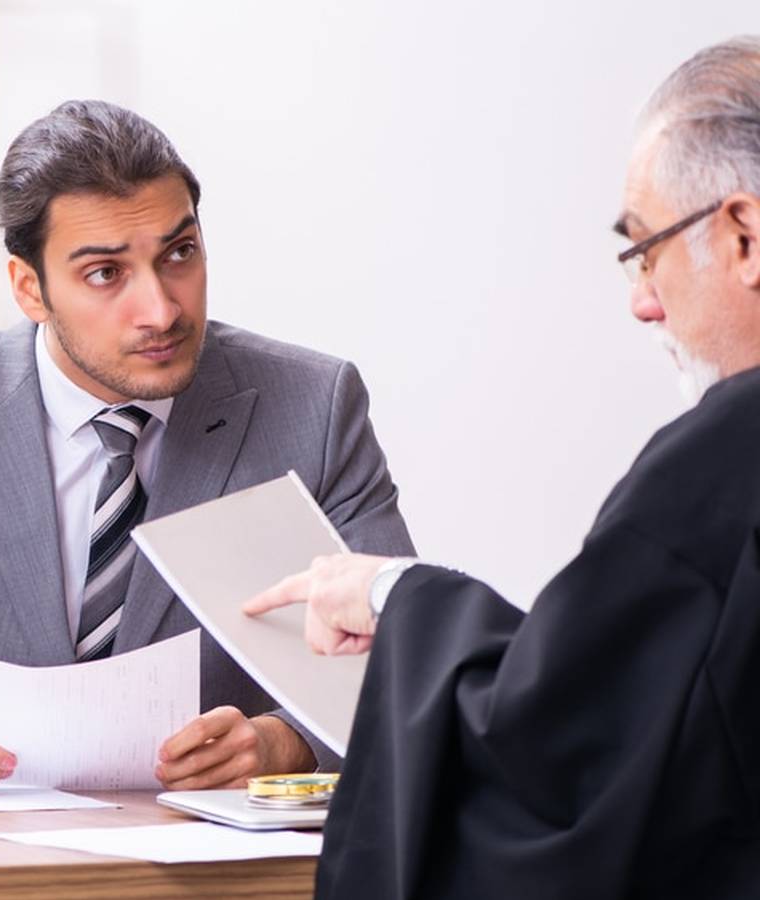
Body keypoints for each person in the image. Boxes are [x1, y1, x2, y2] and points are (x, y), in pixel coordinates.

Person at [0, 100, 415, 796]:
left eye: (179, 254)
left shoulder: (313, 406)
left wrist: (283, 743)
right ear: (30, 289)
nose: (161, 310)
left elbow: (408, 675)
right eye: (105, 274)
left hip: (218, 849)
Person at [243, 37, 760, 899]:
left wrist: (396, 599)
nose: (643, 300)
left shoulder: (727, 464)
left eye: (646, 250)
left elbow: (564, 752)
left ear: (744, 236)